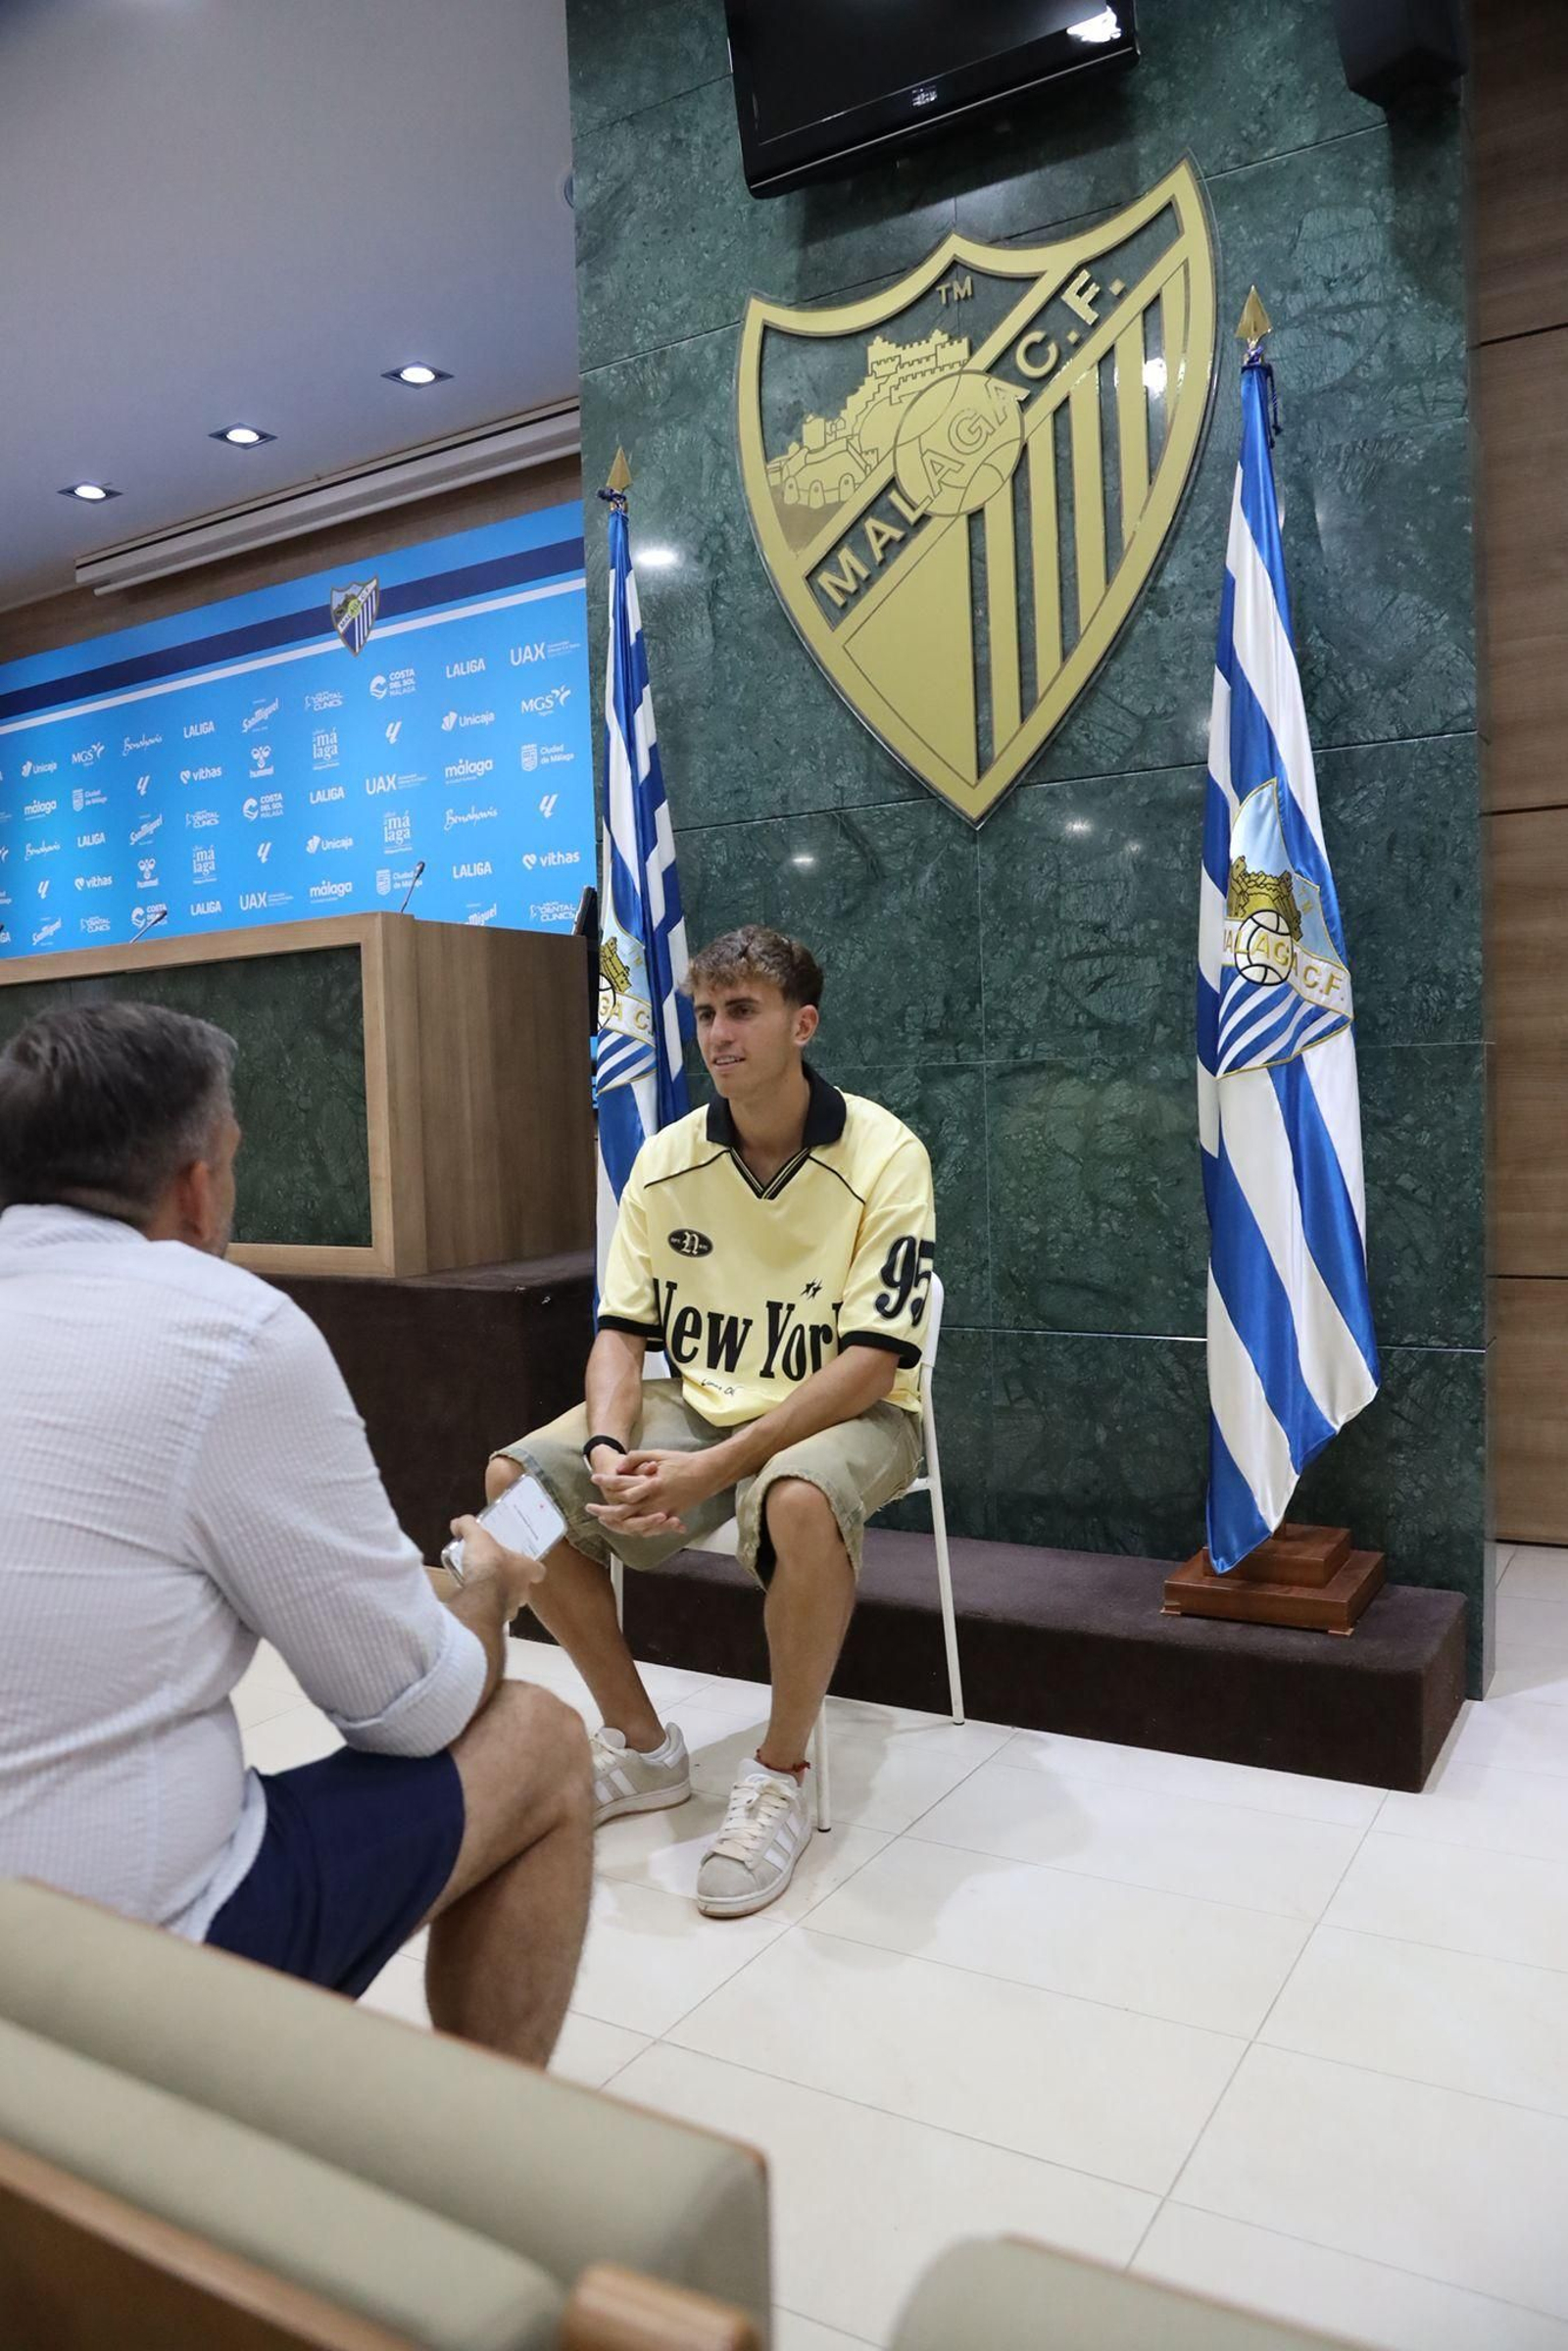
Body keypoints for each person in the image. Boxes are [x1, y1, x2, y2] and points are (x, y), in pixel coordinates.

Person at [0, 1003, 591, 2064]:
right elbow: (411, 1709)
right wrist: (490, 1592)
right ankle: (486, 2169)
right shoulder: (226, 1326)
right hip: (98, 1980)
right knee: (540, 1737)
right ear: (194, 1183)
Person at [489, 925, 936, 1920]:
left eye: (743, 1010)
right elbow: (618, 1334)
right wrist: (607, 1448)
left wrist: (718, 1467)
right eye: (704, 1012)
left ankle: (777, 1771)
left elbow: (870, 1362)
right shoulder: (665, 1158)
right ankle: (643, 1745)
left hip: (854, 1414)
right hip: (699, 1403)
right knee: (518, 1484)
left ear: (801, 1022)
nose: (718, 1034)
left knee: (796, 1495)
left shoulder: (885, 1151)